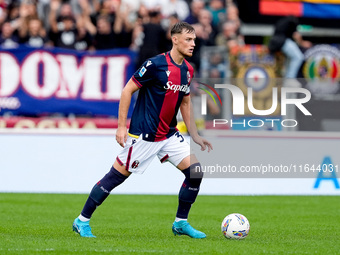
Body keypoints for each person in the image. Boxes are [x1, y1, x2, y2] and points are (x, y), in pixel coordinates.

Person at [72, 21, 213, 239]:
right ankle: (82, 221)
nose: (193, 43)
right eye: (188, 39)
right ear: (174, 39)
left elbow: (185, 103)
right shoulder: (155, 65)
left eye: (194, 39)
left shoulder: (188, 69)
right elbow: (127, 90)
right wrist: (121, 127)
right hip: (145, 135)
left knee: (195, 172)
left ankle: (180, 223)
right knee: (115, 177)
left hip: (169, 134)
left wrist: (194, 134)